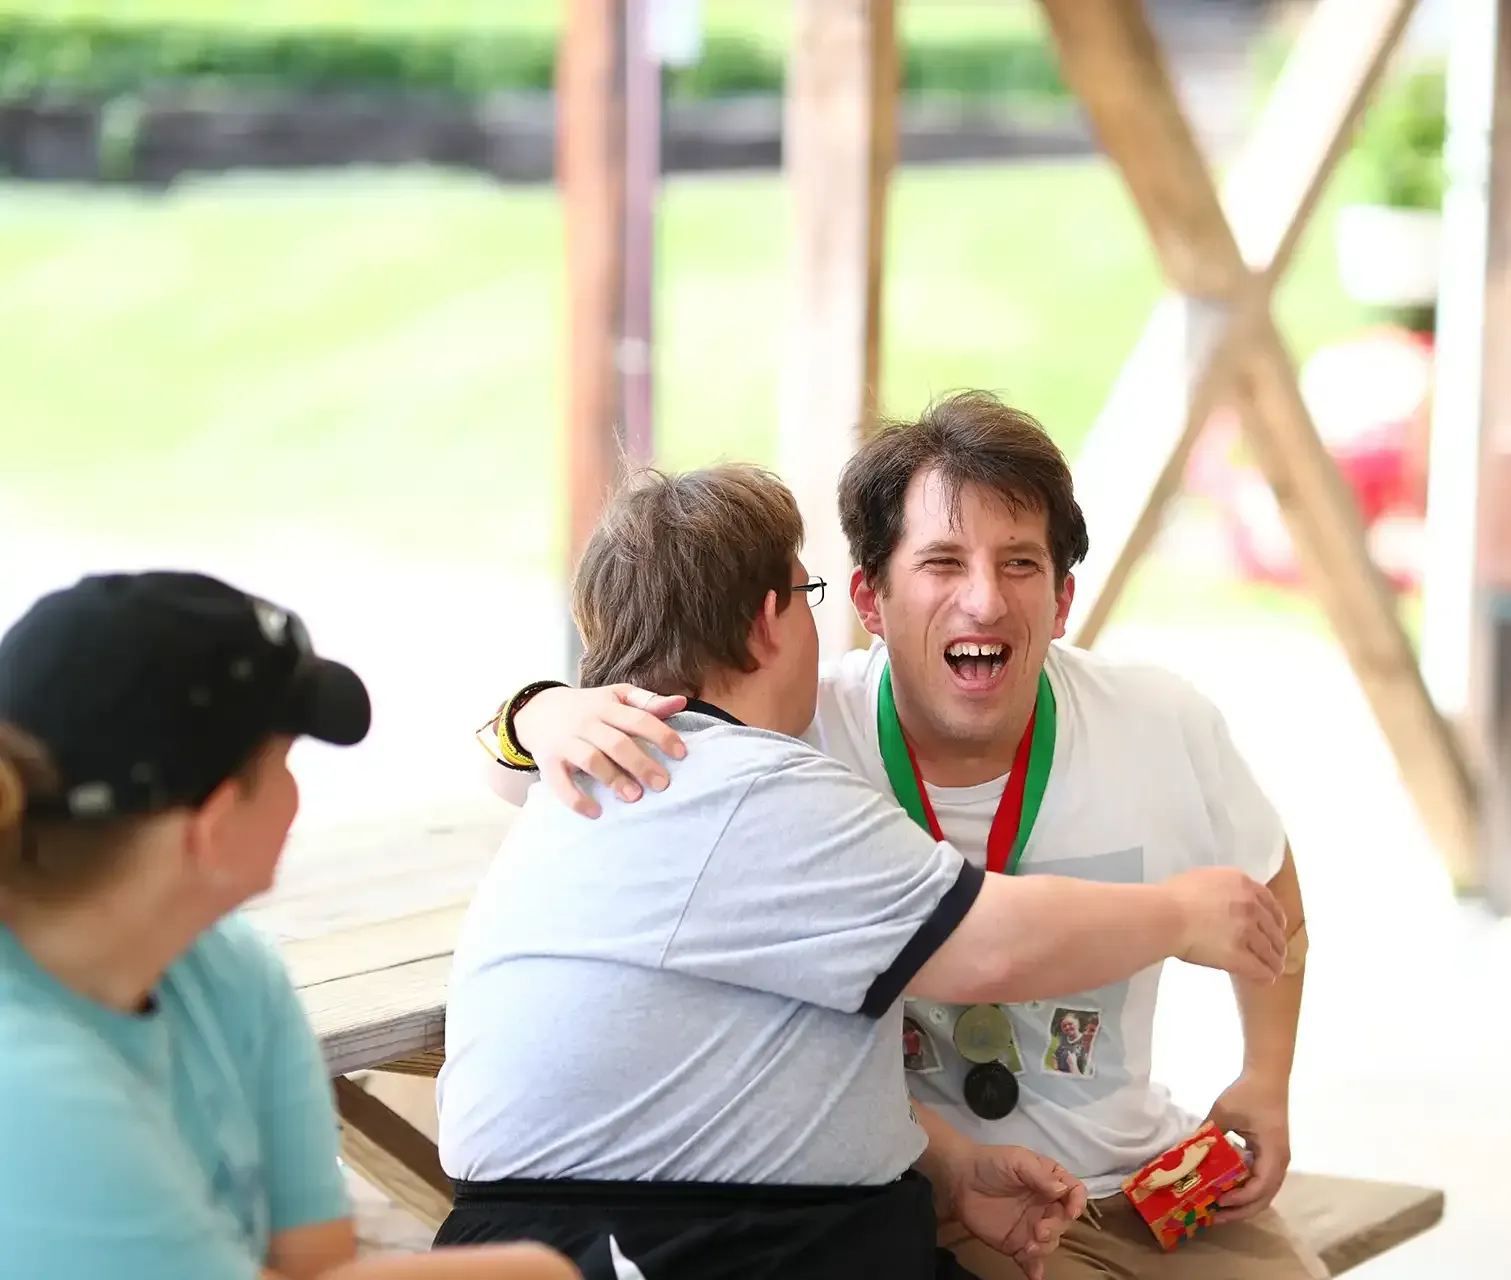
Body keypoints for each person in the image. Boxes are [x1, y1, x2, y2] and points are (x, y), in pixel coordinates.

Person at [491, 392, 1326, 1280]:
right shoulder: (793, 740)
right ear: (870, 599)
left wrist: (1264, 1077)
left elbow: (1268, 885)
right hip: (944, 1205)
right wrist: (538, 715)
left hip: (1144, 1180)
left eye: (1020, 564)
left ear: (1063, 597)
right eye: (941, 562)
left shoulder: (1161, 721)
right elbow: (550, 782)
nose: (985, 599)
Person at [0, 571, 578, 1280]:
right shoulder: (28, 1083)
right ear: (211, 829)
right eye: (284, 763)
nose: (298, 793)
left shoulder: (232, 973)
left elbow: (315, 1262)